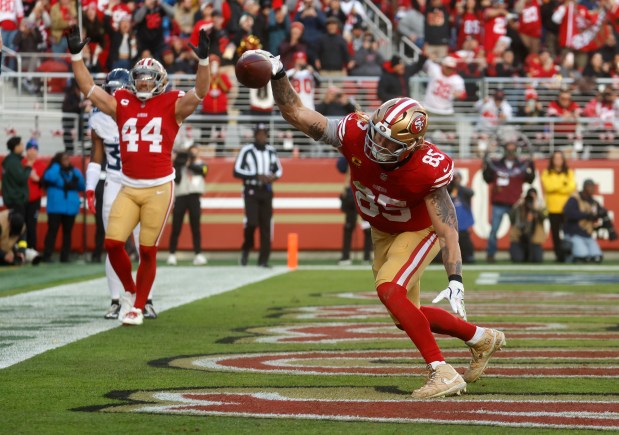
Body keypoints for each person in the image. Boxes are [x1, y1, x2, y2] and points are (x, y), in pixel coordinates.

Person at [256, 48, 506, 399]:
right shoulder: (355, 133)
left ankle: (442, 371)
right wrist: (278, 72)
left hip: (418, 230)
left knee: (389, 289)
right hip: (383, 230)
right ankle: (481, 338)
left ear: (412, 145)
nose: (377, 144)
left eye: (390, 141)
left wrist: (455, 279)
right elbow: (295, 111)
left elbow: (447, 227)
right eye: (377, 133)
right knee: (406, 314)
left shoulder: (426, 167)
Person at [66, 25, 213, 326]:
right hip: (128, 185)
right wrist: (76, 56)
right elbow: (89, 89)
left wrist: (204, 62)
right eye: (140, 79)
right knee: (112, 244)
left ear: (160, 81)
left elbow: (200, 92)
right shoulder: (122, 102)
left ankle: (138, 307)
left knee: (147, 250)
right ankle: (130, 293)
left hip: (159, 187)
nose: (144, 83)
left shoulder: (173, 103)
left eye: (149, 79)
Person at [85, 68, 157, 320]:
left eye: (119, 90)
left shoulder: (144, 110)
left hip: (143, 180)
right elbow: (96, 157)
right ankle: (116, 299)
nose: (115, 95)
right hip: (115, 180)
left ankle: (145, 299)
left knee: (145, 244)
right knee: (113, 243)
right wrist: (90, 187)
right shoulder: (100, 117)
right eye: (111, 90)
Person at [233, 123, 283, 268]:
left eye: (264, 134)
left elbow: (279, 170)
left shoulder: (271, 151)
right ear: (255, 135)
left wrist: (272, 177)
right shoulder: (247, 151)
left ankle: (263, 260)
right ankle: (246, 248)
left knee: (266, 226)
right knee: (252, 223)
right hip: (251, 191)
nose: (261, 136)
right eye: (259, 134)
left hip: (266, 191)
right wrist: (255, 175)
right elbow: (236, 171)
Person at [482, 141, 536, 263]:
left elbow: (530, 179)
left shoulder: (521, 165)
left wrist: (531, 164)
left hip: (515, 204)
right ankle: (490, 255)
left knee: (517, 231)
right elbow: (487, 178)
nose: (511, 153)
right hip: (499, 203)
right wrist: (485, 163)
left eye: (513, 150)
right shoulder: (496, 164)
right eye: (509, 150)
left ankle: (518, 254)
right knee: (494, 230)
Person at [167, 144, 208, 267]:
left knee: (195, 226)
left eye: (195, 153)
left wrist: (189, 164)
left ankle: (198, 253)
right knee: (176, 226)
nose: (192, 155)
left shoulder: (202, 163)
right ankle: (172, 254)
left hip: (194, 197)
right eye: (191, 153)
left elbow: (202, 171)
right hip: (181, 197)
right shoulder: (180, 164)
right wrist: (179, 164)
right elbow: (177, 179)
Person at [41, 152, 85, 263]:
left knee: (67, 233)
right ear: (58, 160)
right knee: (52, 231)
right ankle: (47, 256)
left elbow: (82, 186)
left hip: (70, 208)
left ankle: (65, 257)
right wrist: (56, 165)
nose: (67, 161)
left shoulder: (74, 171)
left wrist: (75, 173)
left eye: (68, 158)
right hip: (55, 207)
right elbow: (49, 177)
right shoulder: (54, 169)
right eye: (64, 159)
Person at [540, 150, 576, 262]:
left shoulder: (569, 172)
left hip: (567, 208)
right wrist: (562, 185)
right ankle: (559, 255)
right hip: (553, 208)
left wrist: (557, 187)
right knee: (555, 234)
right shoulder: (546, 172)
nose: (558, 160)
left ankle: (569, 254)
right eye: (556, 158)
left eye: (560, 158)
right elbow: (548, 186)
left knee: (568, 233)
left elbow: (571, 187)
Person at [336, 155, 371, 265]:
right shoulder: (355, 153)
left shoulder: (361, 153)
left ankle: (362, 257)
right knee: (350, 227)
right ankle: (356, 257)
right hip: (359, 195)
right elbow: (340, 166)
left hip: (362, 194)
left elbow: (340, 166)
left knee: (365, 228)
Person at [562, 179, 605, 263]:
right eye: (590, 187)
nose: (593, 189)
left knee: (597, 258)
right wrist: (586, 215)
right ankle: (568, 256)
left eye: (593, 187)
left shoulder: (593, 202)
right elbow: (568, 212)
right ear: (585, 187)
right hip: (574, 233)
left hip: (587, 234)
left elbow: (600, 213)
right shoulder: (574, 199)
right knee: (582, 258)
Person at [508, 187, 546, 263]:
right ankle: (518, 253)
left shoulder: (540, 207)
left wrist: (536, 207)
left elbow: (544, 217)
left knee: (537, 260)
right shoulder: (520, 207)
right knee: (518, 259)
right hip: (519, 239)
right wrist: (518, 205)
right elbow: (511, 217)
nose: (529, 201)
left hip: (534, 240)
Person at [447, 171, 475, 264]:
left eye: (457, 178)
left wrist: (457, 185)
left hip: (462, 221)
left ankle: (468, 256)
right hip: (449, 221)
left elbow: (471, 193)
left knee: (464, 239)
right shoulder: (447, 190)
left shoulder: (463, 190)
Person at [23, 138, 45, 251]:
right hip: (21, 200)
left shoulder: (41, 165)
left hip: (34, 200)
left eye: (34, 149)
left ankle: (32, 250)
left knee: (32, 226)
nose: (32, 151)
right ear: (26, 150)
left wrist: (38, 179)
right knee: (20, 226)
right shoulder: (21, 163)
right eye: (30, 148)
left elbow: (44, 182)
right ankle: (21, 251)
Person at [2, 136, 33, 217]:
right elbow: (21, 178)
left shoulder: (10, 160)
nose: (23, 146)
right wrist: (29, 166)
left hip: (13, 198)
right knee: (17, 226)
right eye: (21, 144)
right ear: (16, 147)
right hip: (16, 199)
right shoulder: (13, 162)